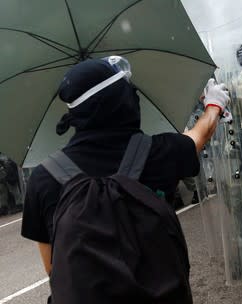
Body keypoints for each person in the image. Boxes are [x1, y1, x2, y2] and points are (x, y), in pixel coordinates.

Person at [21, 57, 230, 302]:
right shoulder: (159, 152)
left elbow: (52, 268)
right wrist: (214, 104)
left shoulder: (43, 178)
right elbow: (200, 134)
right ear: (123, 101)